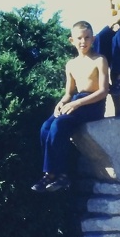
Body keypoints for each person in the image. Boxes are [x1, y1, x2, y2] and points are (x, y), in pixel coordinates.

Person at [31, 21, 109, 192]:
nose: (83, 41)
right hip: (75, 100)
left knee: (60, 124)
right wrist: (61, 103)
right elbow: (68, 93)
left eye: (87, 37)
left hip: (92, 104)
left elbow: (104, 91)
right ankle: (51, 174)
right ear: (72, 40)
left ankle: (60, 174)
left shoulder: (99, 60)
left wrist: (77, 103)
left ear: (93, 39)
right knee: (46, 127)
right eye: (79, 38)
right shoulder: (71, 64)